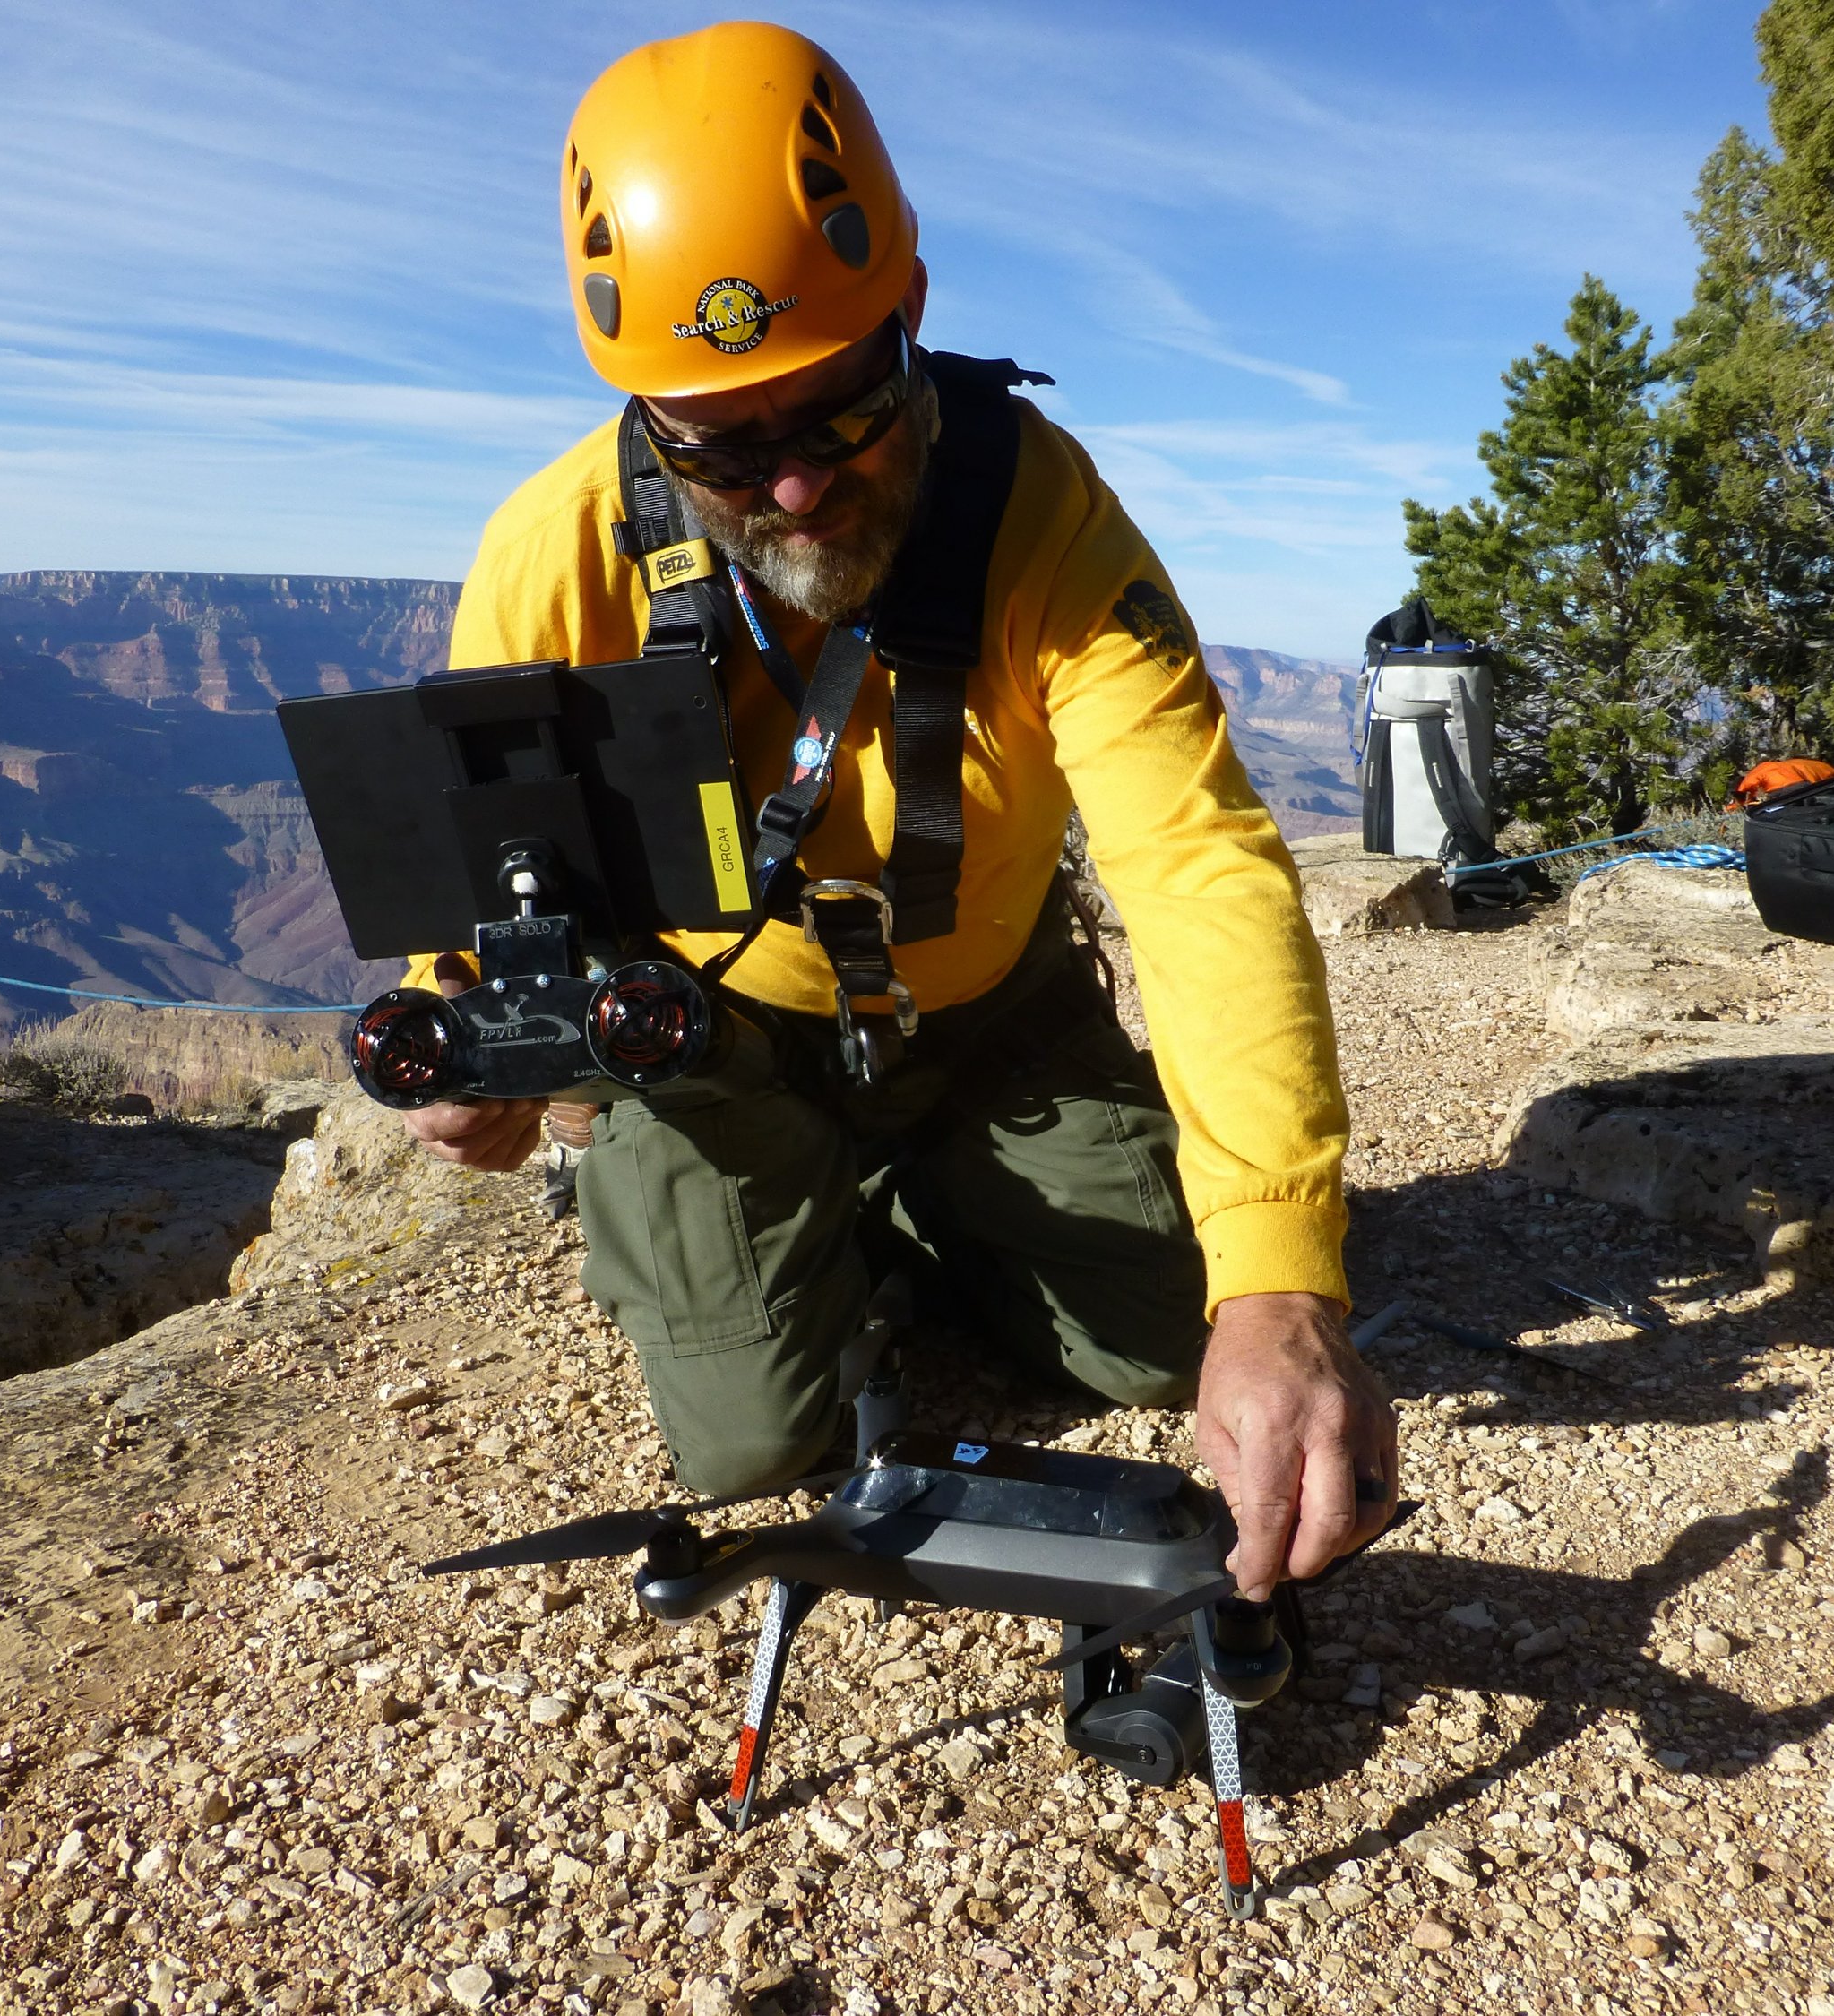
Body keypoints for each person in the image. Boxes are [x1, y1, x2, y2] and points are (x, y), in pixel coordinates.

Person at [398, 22, 1392, 1598]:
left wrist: (1278, 1283)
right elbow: (495, 865)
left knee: (1170, 1337)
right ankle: (754, 1209)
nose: (794, 486)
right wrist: (470, 1032)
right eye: (726, 446)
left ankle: (895, 1210)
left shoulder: (1041, 516)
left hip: (991, 1020)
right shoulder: (556, 554)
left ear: (910, 313)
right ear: (646, 409)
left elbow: (1199, 867)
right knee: (752, 1446)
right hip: (722, 1048)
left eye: (841, 410)